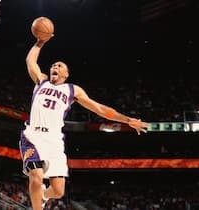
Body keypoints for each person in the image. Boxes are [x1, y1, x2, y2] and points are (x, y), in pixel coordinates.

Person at [19, 36, 150, 210]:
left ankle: (43, 195)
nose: (55, 67)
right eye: (53, 65)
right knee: (36, 176)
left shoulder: (73, 90)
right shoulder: (41, 81)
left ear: (66, 74)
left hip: (54, 141)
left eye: (60, 66)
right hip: (33, 136)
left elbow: (100, 109)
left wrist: (127, 120)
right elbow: (30, 60)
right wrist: (40, 42)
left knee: (58, 191)